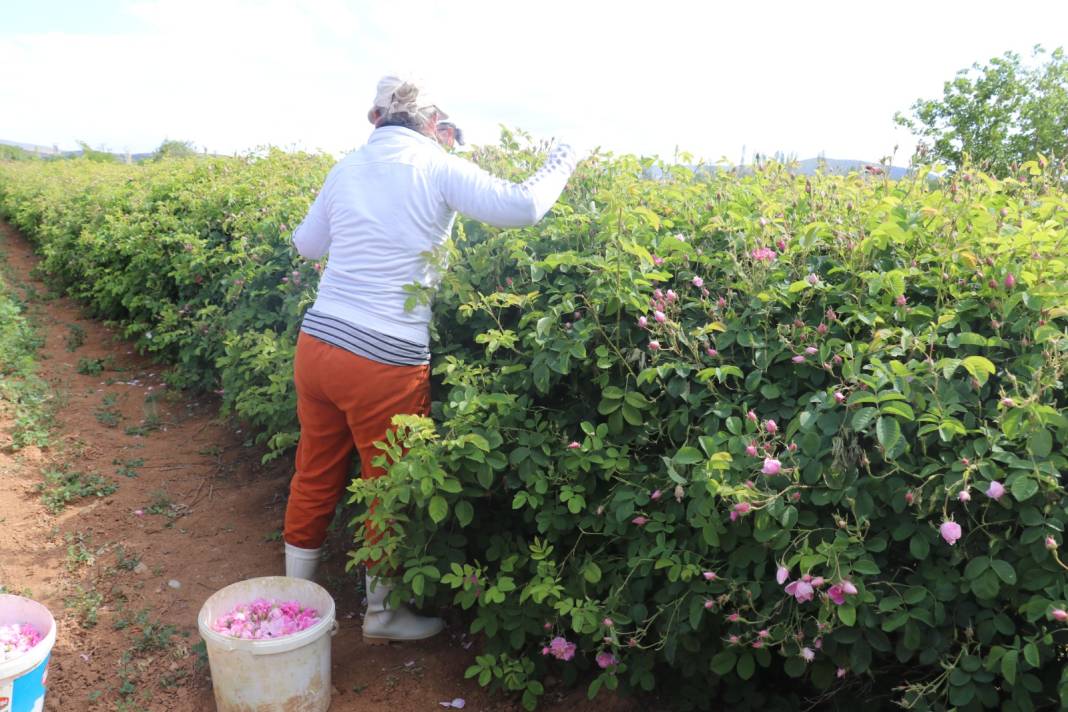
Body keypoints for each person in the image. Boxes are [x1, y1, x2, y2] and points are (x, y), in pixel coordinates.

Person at [284, 75, 577, 644]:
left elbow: (306, 245)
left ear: (376, 119)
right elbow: (525, 206)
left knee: (315, 467)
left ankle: (297, 604)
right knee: (388, 483)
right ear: (431, 123)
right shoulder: (434, 164)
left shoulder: (346, 168)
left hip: (318, 343)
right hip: (384, 359)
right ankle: (382, 615)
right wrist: (566, 153)